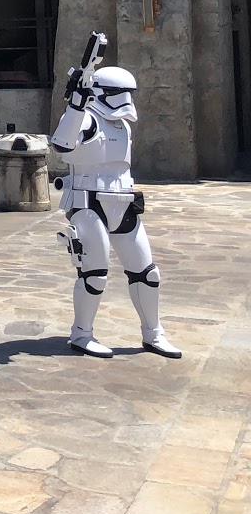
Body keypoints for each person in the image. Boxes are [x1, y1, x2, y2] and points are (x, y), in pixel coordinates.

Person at [50, 57, 182, 360]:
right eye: (116, 93)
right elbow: (62, 144)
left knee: (147, 274)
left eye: (127, 93)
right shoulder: (85, 118)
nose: (124, 100)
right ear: (99, 92)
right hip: (89, 204)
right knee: (94, 274)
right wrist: (76, 105)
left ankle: (153, 334)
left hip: (123, 203)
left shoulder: (122, 125)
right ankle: (81, 334)